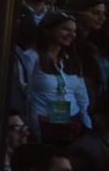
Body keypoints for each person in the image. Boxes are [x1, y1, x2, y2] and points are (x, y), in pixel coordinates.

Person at [17, 11, 92, 143]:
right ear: (47, 31)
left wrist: (85, 119)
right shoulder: (31, 57)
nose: (71, 34)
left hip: (74, 124)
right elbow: (24, 92)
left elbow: (80, 91)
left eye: (74, 31)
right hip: (45, 127)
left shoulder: (70, 59)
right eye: (65, 29)